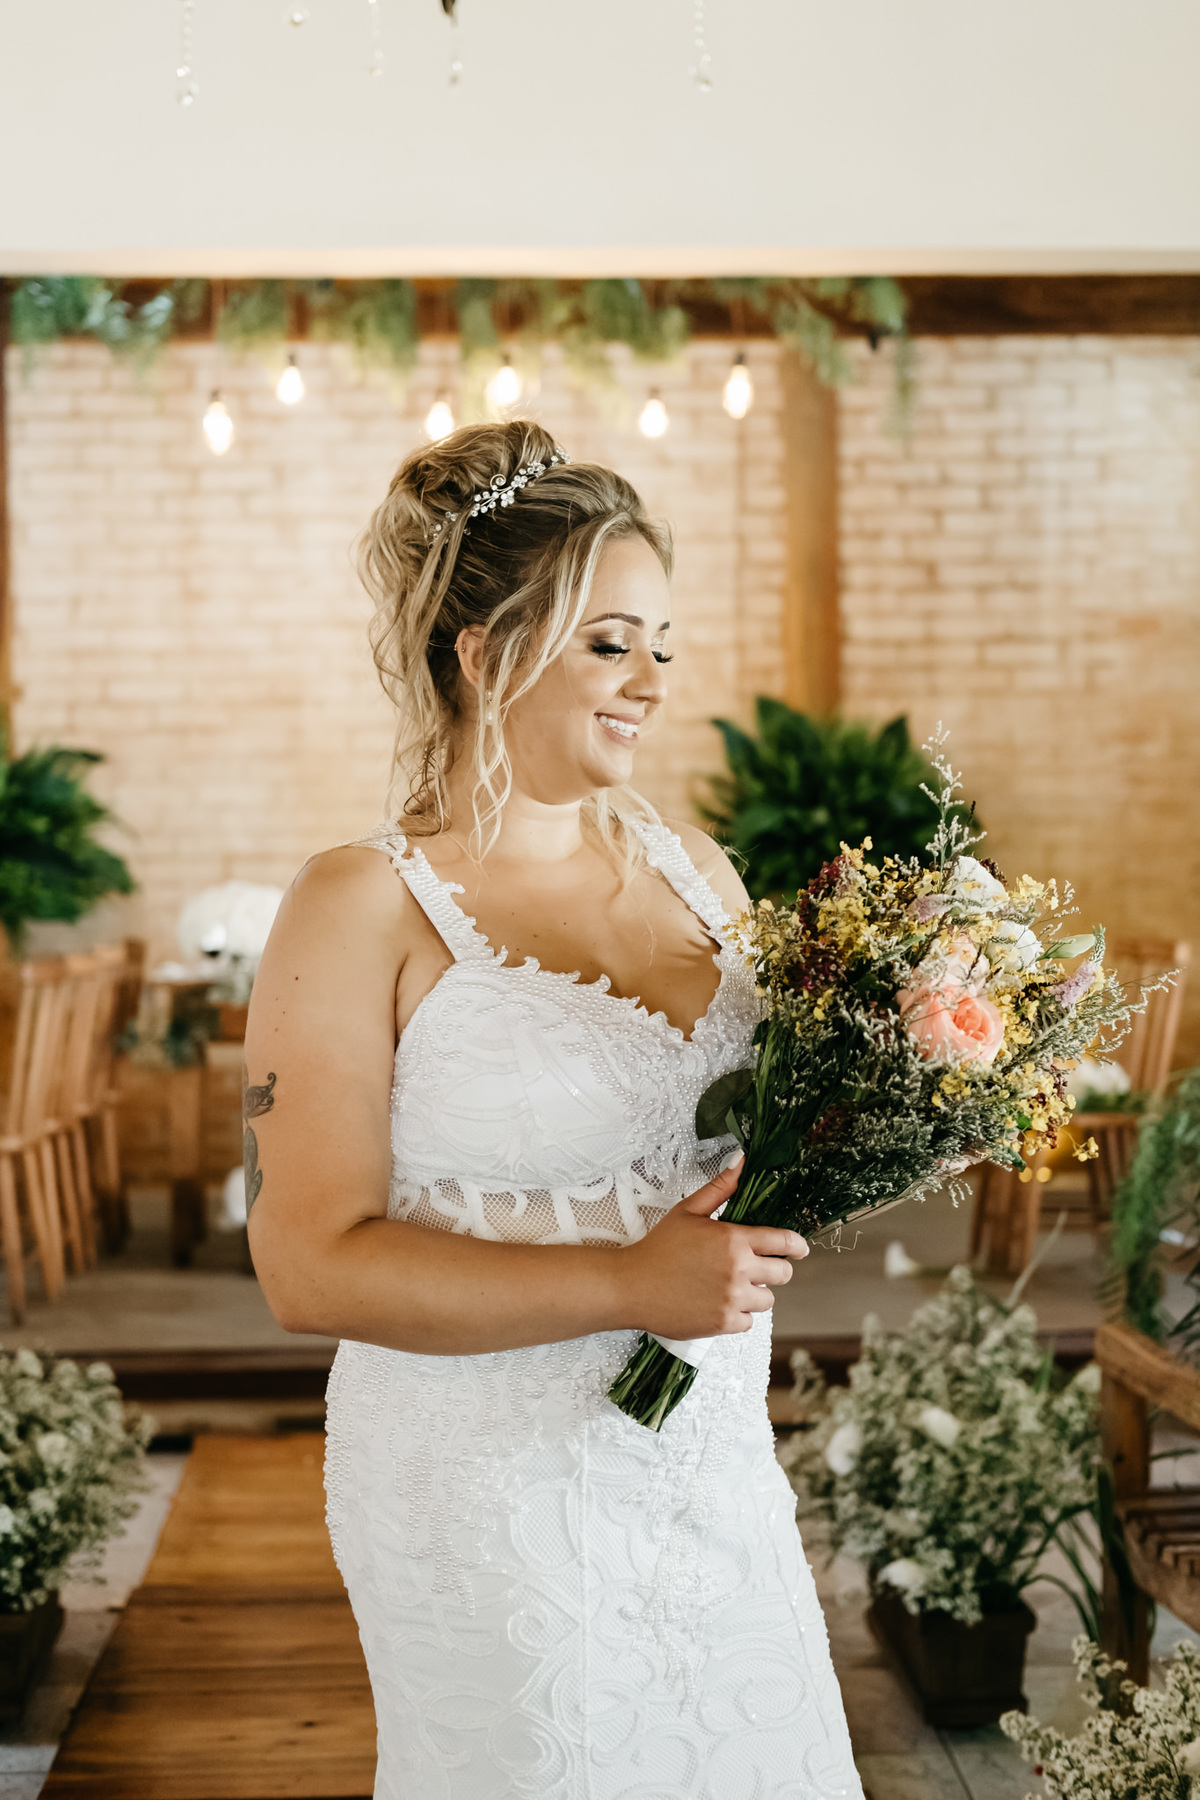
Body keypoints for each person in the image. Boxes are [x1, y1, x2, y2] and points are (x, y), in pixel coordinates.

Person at [245, 420, 863, 1800]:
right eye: (609, 643)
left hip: (707, 1456)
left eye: (662, 646)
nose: (652, 681)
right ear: (484, 655)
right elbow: (305, 1265)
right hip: (483, 1485)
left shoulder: (698, 870)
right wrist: (627, 1280)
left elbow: (751, 1136)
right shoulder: (359, 903)